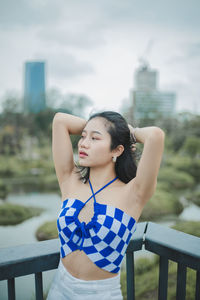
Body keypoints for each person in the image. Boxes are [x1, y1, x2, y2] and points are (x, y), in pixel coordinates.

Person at [47, 110, 165, 300]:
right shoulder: (70, 179)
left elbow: (155, 136)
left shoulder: (133, 193)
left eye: (95, 138)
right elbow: (60, 120)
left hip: (100, 294)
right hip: (59, 288)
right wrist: (97, 126)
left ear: (117, 150)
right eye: (83, 136)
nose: (83, 143)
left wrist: (129, 133)